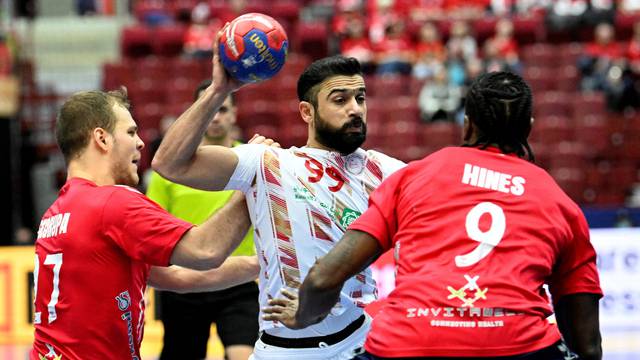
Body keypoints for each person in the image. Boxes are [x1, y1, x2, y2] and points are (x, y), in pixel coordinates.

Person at [263, 72, 604, 360]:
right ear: (528, 127)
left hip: (409, 343)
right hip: (516, 346)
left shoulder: (415, 176)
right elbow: (586, 341)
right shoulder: (558, 202)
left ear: (467, 125)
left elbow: (324, 278)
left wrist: (303, 317)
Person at [152, 40, 406, 358]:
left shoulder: (384, 170)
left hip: (360, 343)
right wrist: (218, 91)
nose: (354, 108)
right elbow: (169, 163)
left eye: (360, 98)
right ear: (306, 112)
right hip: (282, 350)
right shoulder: (268, 162)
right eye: (339, 100)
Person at [31, 88, 265, 360]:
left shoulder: (56, 212)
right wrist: (253, 174)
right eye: (131, 132)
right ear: (102, 139)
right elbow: (206, 250)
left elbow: (180, 276)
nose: (141, 143)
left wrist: (265, 262)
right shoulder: (114, 203)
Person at [147, 80, 258, 360]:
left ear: (234, 115)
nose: (217, 117)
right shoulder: (170, 169)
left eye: (223, 109)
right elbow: (153, 226)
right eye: (211, 110)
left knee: (245, 355)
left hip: (238, 280)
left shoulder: (254, 160)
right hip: (185, 283)